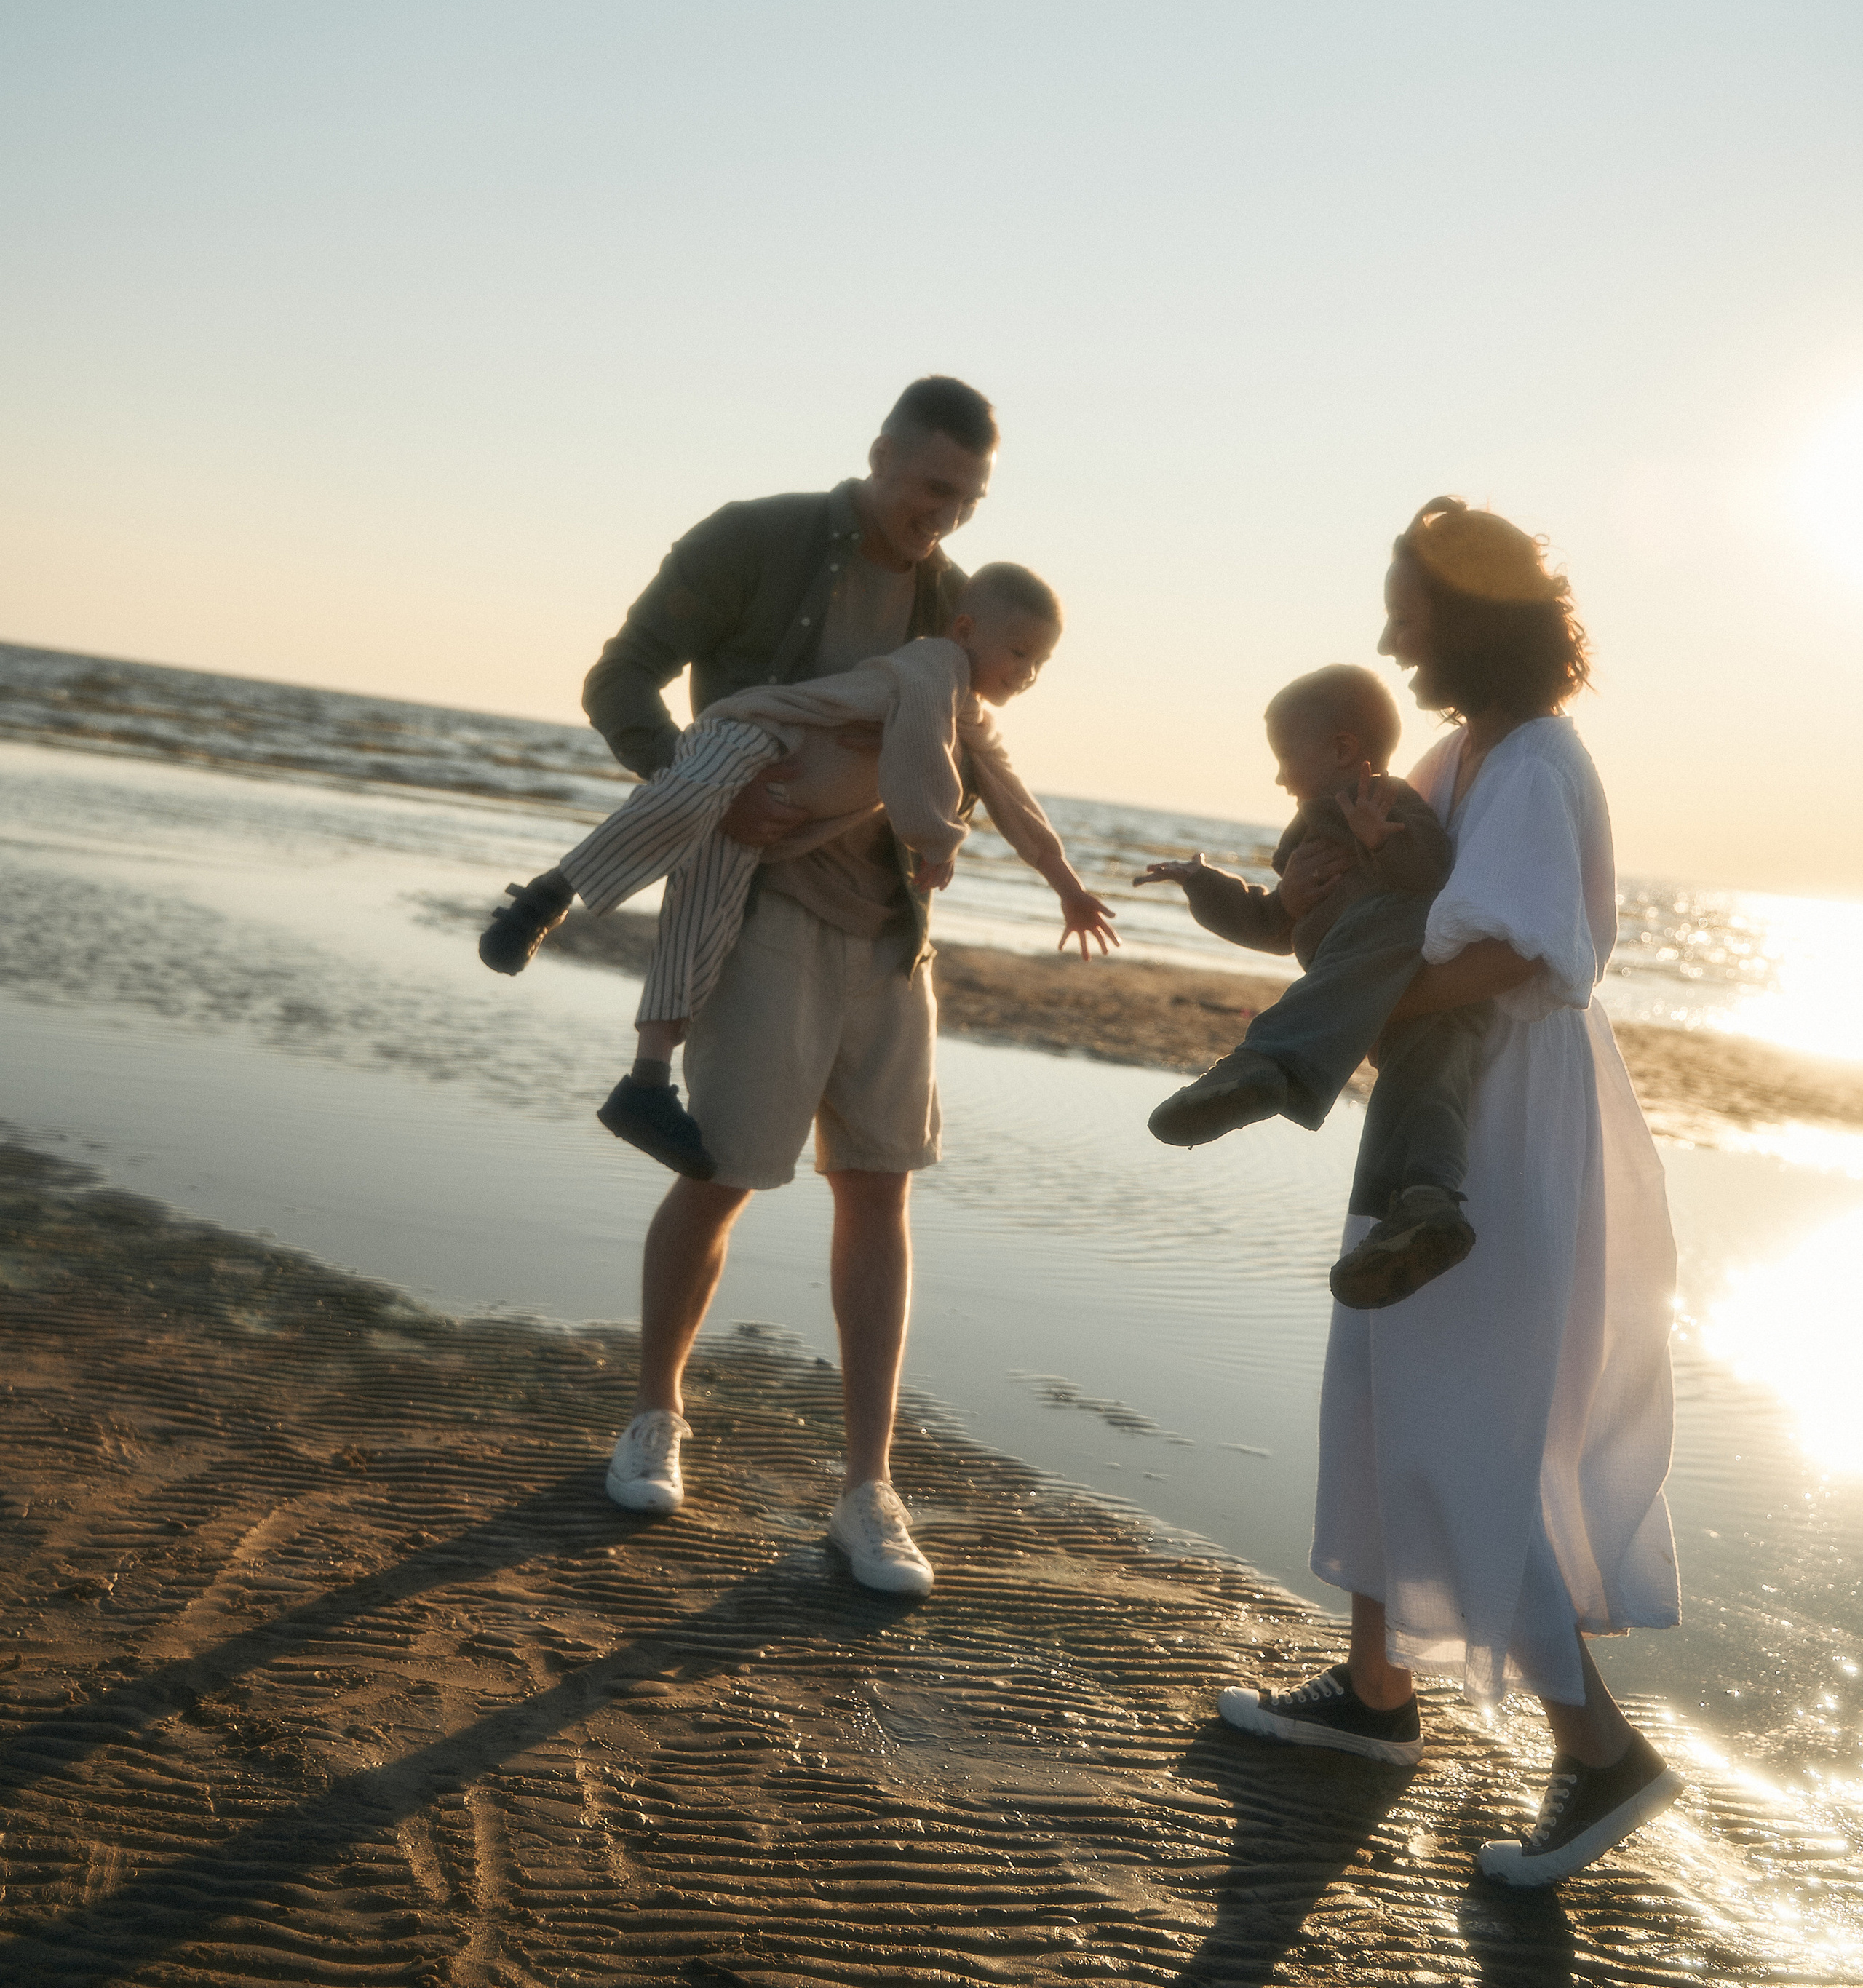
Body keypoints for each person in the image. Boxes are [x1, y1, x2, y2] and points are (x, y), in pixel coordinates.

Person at [1216, 500, 1683, 1890]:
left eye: (1407, 614)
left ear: (1467, 617)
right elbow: (1391, 901)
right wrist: (1307, 897)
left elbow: (1519, 955)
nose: (1389, 638)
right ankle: (1374, 1696)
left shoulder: (1533, 762)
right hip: (1450, 1097)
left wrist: (1357, 1010)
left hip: (1511, 1113)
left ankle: (1604, 1755)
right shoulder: (1462, 752)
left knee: (1472, 1422)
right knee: (1381, 1383)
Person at [504, 378, 1031, 1599]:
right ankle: (655, 1416)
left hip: (892, 937)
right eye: (932, 488)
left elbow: (976, 752)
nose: (946, 518)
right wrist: (698, 788)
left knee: (881, 1191)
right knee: (722, 1171)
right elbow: (619, 678)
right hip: (764, 919)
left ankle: (867, 1491)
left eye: (968, 500)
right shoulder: (756, 539)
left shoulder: (956, 603)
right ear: (882, 454)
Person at [480, 564, 1116, 1179]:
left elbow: (1015, 803)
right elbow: (920, 754)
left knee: (702, 920)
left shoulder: (972, 718)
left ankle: (645, 1085)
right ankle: (548, 894)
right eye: (1019, 653)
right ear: (966, 629)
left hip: (775, 817)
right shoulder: (935, 666)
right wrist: (936, 841)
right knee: (680, 805)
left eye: (1041, 662)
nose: (1028, 674)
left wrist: (1070, 890)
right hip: (758, 736)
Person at [1136, 663, 1489, 1309]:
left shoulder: (1386, 803)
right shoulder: (1308, 837)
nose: (1279, 777)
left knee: (1431, 1079)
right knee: (1425, 1091)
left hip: (1413, 977)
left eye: (1285, 757)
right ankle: (1422, 1204)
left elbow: (1432, 882)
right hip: (1373, 1000)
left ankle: (1271, 1068)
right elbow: (1273, 926)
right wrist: (1205, 885)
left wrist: (1380, 842)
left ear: (1343, 750)